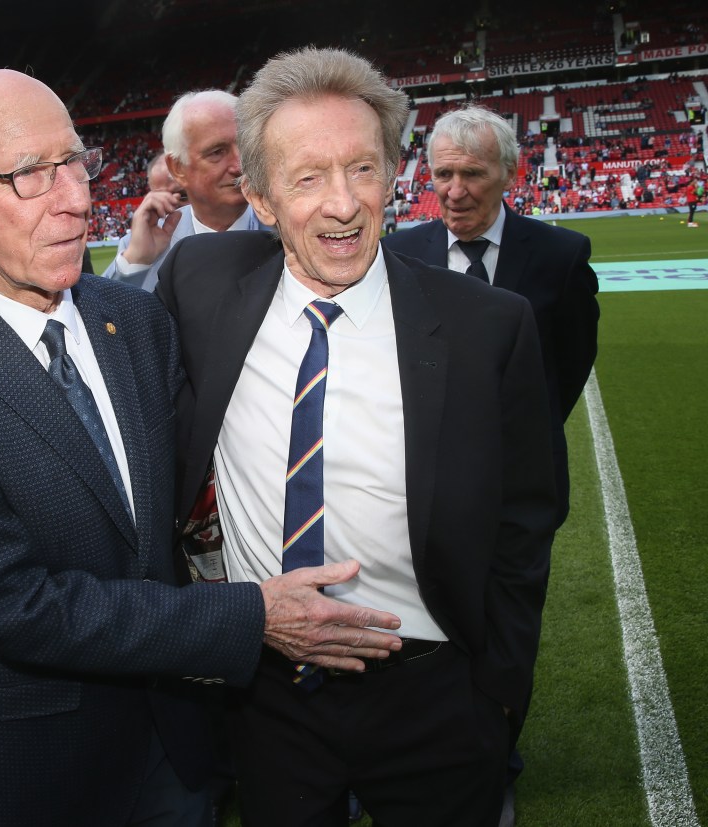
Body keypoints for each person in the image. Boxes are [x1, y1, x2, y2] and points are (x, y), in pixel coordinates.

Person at [0, 68, 403, 827]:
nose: (75, 196)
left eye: (75, 161)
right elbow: (15, 605)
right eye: (29, 174)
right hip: (31, 773)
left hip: (175, 749)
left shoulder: (133, 320)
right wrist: (248, 618)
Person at [155, 46, 557, 827]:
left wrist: (498, 694)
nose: (343, 204)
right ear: (263, 199)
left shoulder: (487, 326)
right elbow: (95, 338)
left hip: (436, 694)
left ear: (393, 175)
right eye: (308, 178)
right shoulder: (199, 283)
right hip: (267, 694)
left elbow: (527, 518)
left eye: (362, 170)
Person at [382, 102, 599, 826]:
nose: (455, 190)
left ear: (508, 173)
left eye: (473, 174)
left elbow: (568, 366)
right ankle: (415, 752)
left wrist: (516, 440)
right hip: (422, 486)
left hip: (518, 488)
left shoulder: (560, 256)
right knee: (423, 622)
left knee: (509, 623)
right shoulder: (400, 253)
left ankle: (498, 752)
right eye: (442, 173)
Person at [101, 89, 269, 292]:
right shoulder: (142, 246)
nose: (239, 166)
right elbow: (104, 319)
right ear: (178, 168)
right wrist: (136, 262)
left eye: (244, 146)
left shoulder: (286, 229)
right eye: (217, 152)